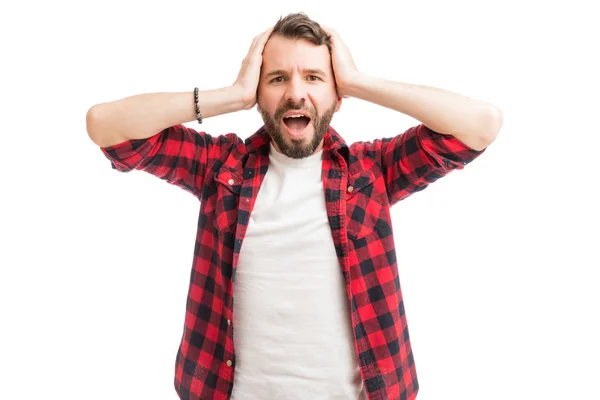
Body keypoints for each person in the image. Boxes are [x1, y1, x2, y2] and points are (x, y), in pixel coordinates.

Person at [86, 12, 502, 400]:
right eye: (278, 78)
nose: (296, 93)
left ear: (338, 97)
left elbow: (479, 126)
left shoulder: (370, 172)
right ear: (259, 95)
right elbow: (107, 128)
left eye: (315, 78)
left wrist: (357, 81)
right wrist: (230, 96)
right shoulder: (221, 169)